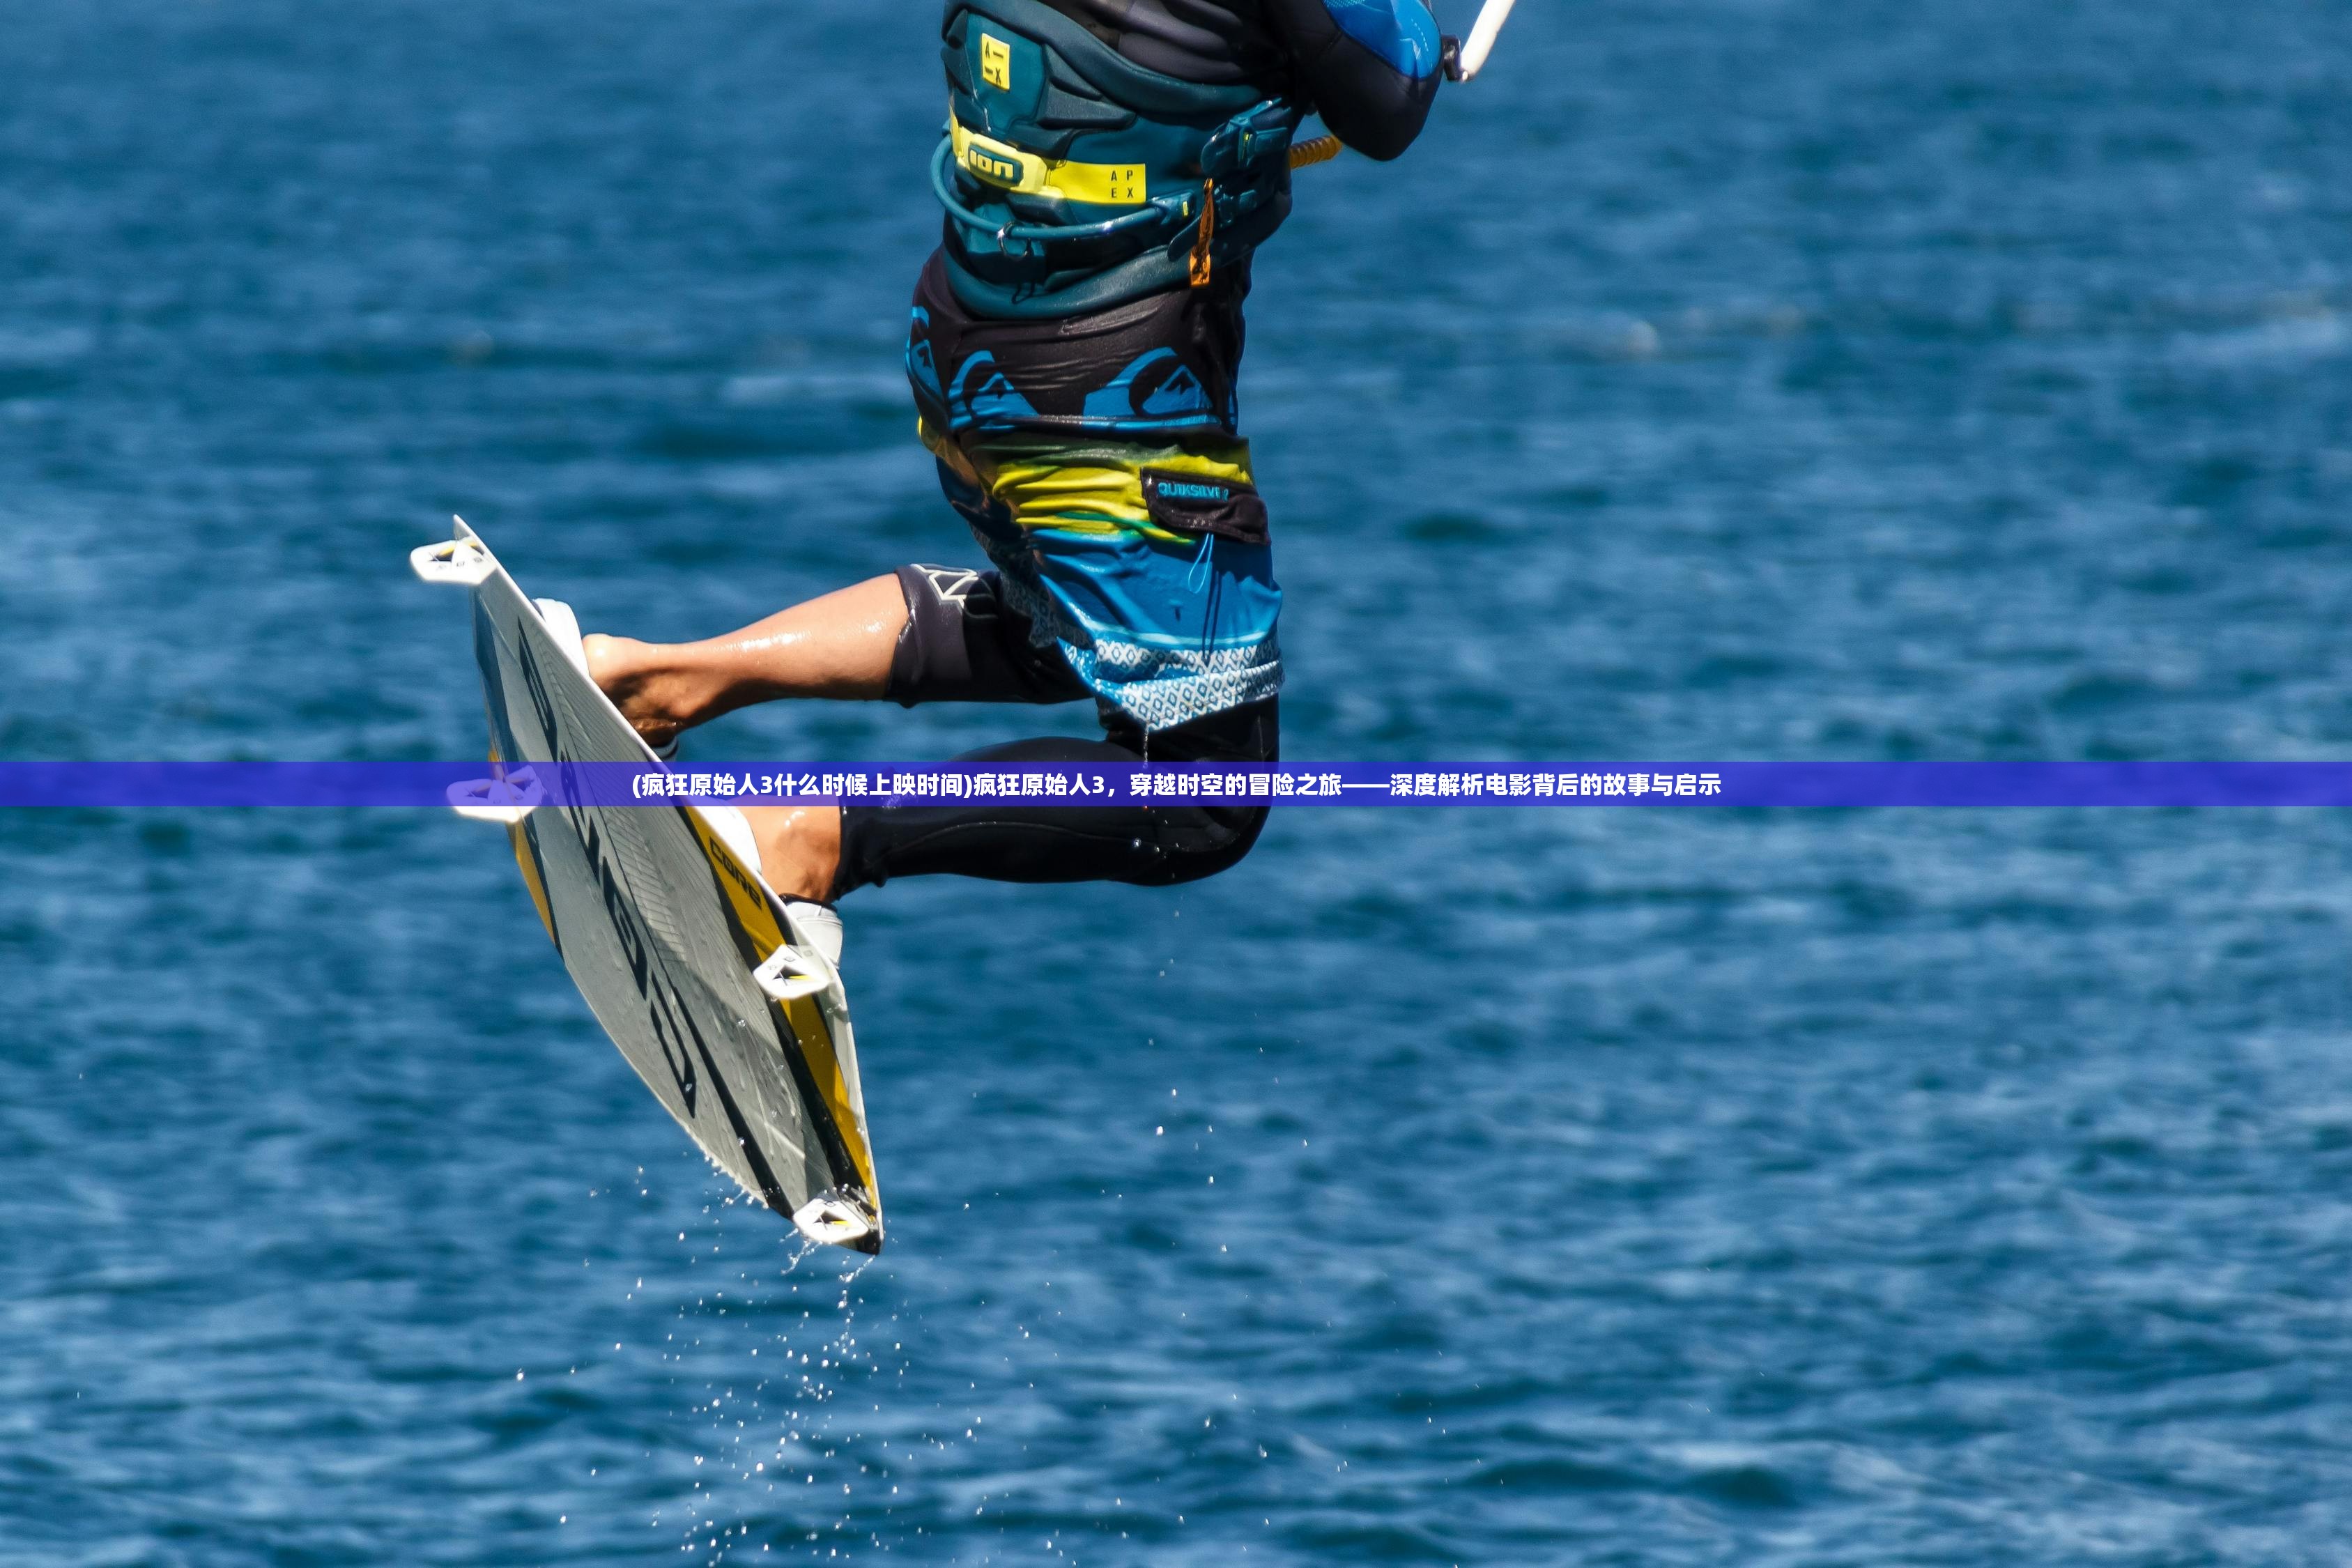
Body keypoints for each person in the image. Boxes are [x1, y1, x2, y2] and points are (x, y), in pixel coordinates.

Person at [581, 0, 1443, 938]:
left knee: (1061, 630)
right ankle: (809, 839)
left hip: (967, 346)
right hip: (1106, 407)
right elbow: (1390, 98)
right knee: (1205, 798)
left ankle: (658, 681)